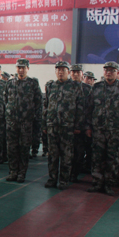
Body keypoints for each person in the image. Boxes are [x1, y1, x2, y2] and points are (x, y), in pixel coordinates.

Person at [86, 61, 119, 196]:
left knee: (113, 157)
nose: (109, 72)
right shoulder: (96, 87)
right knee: (97, 157)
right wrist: (88, 126)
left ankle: (109, 184)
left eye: (112, 70)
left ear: (117, 73)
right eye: (106, 70)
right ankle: (97, 182)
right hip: (98, 129)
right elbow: (89, 108)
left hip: (116, 130)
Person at [42, 61, 84, 190]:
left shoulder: (75, 86)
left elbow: (80, 107)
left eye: (63, 70)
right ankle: (52, 179)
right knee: (52, 155)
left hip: (67, 127)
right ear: (56, 72)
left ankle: (64, 180)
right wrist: (45, 124)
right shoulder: (51, 86)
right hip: (52, 126)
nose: (60, 72)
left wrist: (77, 126)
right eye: (58, 70)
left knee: (66, 155)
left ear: (68, 72)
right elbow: (46, 106)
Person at [4, 59, 42, 182]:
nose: (20, 70)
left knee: (24, 149)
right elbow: (6, 100)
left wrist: (34, 119)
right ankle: (13, 172)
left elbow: (38, 102)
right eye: (18, 67)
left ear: (27, 69)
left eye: (23, 67)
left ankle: (21, 173)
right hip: (12, 122)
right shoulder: (10, 83)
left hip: (26, 122)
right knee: (11, 148)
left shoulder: (33, 83)